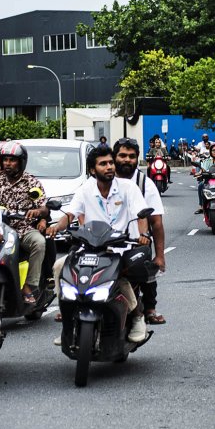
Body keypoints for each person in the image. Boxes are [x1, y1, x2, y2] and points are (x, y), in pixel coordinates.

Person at [46, 146, 151, 344]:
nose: (109, 167)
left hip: (120, 248)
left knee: (119, 278)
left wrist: (143, 234)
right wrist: (56, 228)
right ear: (93, 170)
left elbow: (141, 214)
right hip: (91, 248)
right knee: (60, 267)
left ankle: (137, 316)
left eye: (111, 162)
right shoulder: (85, 190)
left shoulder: (128, 187)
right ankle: (67, 317)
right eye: (103, 164)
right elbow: (70, 215)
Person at [114, 138, 167, 325]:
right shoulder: (102, 179)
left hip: (136, 242)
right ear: (114, 157)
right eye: (122, 155)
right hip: (104, 241)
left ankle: (150, 308)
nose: (127, 160)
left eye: (131, 156)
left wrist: (159, 256)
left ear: (137, 159)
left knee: (146, 264)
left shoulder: (146, 184)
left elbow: (156, 222)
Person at [0, 141, 48, 304]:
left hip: (24, 230)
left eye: (12, 160)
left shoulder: (31, 182)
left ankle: (30, 285)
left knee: (39, 242)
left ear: (21, 162)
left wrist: (38, 212)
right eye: (5, 160)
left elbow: (44, 207)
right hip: (0, 231)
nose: (7, 163)